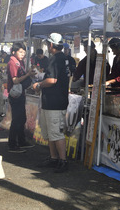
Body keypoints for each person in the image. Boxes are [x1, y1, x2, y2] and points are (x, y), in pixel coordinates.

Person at [31, 33, 71, 173]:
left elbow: (52, 80)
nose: (48, 46)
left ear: (52, 45)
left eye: (48, 44)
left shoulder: (56, 59)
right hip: (52, 102)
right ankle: (54, 158)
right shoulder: (62, 58)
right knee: (50, 132)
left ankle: (63, 161)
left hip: (55, 102)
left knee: (56, 133)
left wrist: (38, 85)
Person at [6, 42, 36, 153]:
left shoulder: (20, 62)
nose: (22, 54)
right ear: (14, 52)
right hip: (15, 94)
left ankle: (21, 141)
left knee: (22, 118)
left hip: (20, 93)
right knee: (17, 119)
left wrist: (29, 73)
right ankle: (12, 144)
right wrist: (28, 75)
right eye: (20, 52)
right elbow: (15, 80)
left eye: (24, 52)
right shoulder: (13, 62)